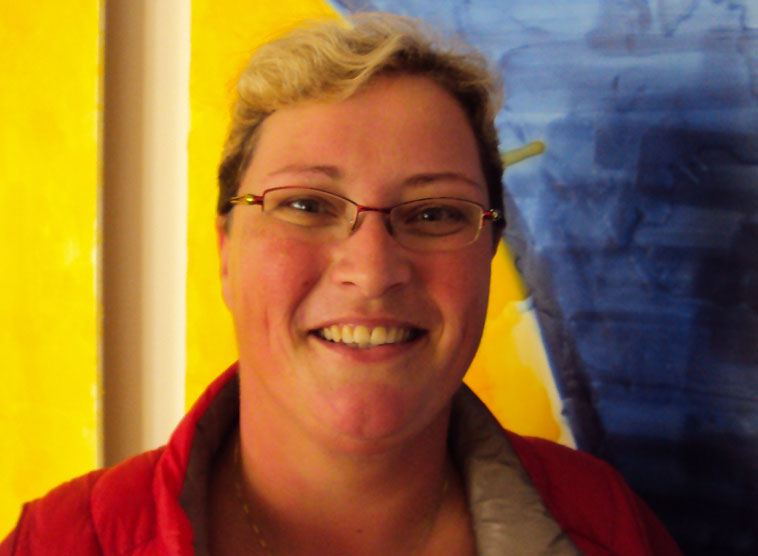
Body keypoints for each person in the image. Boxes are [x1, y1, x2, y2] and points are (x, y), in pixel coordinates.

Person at [1, 13, 682, 556]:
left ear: (489, 253)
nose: (373, 271)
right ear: (227, 253)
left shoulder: (608, 528)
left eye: (435, 214)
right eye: (306, 205)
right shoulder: (58, 543)